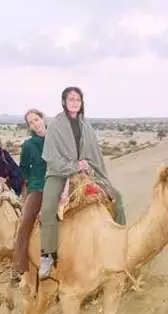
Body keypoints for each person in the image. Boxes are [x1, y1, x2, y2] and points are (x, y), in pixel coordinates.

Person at [39, 86, 126, 278]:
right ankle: (47, 254)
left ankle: (121, 243)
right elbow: (51, 157)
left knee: (116, 196)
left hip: (85, 171)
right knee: (47, 209)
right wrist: (73, 165)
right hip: (59, 173)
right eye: (71, 99)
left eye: (77, 99)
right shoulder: (54, 125)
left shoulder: (86, 125)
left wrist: (88, 166)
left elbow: (94, 154)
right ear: (64, 102)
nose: (74, 102)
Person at [13, 109, 47, 275]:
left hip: (61, 183)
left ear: (43, 118)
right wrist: (28, 184)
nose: (35, 123)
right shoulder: (28, 145)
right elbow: (23, 169)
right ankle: (20, 264)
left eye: (36, 119)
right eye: (31, 122)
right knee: (25, 220)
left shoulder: (55, 138)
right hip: (38, 186)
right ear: (29, 127)